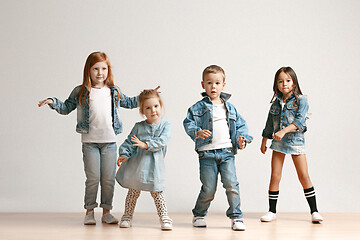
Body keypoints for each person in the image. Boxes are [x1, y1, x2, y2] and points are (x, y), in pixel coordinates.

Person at [38, 52, 143, 225]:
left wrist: (146, 95)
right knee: (93, 178)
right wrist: (52, 101)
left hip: (109, 143)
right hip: (90, 144)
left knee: (108, 179)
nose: (100, 73)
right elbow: (65, 107)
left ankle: (107, 212)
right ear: (88, 70)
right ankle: (89, 212)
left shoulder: (113, 91)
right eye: (95, 69)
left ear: (108, 70)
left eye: (103, 68)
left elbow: (130, 102)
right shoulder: (81, 91)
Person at [183, 65, 253, 231]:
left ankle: (236, 217)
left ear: (223, 85)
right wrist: (196, 132)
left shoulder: (230, 108)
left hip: (227, 152)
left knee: (232, 185)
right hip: (206, 154)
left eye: (217, 83)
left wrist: (242, 139)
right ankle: (199, 214)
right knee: (209, 188)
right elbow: (188, 123)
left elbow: (241, 127)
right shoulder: (197, 108)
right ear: (203, 85)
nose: (213, 86)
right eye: (209, 83)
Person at [260, 66, 323, 223]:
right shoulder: (275, 104)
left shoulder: (301, 101)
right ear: (276, 84)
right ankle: (271, 211)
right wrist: (264, 140)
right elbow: (269, 124)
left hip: (295, 142)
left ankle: (314, 211)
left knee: (303, 176)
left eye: (288, 80)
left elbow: (299, 121)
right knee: (275, 176)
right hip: (278, 144)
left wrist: (283, 132)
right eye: (280, 81)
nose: (284, 84)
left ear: (294, 83)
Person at [116, 89, 172, 231]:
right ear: (142, 111)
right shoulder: (139, 127)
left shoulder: (165, 126)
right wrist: (124, 154)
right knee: (133, 192)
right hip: (137, 167)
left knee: (157, 193)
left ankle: (164, 217)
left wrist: (146, 144)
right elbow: (129, 142)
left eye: (156, 106)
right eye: (148, 107)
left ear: (160, 106)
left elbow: (162, 141)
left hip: (154, 168)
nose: (153, 110)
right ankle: (127, 216)